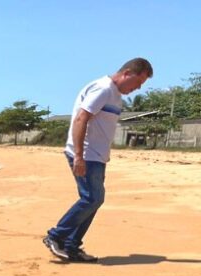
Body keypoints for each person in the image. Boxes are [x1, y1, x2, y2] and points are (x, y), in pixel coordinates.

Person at [44, 58, 153, 262]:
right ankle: (56, 236)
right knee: (92, 199)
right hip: (86, 154)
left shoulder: (115, 95)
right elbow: (81, 118)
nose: (137, 88)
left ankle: (71, 246)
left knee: (93, 200)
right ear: (127, 73)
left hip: (97, 156)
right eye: (137, 83)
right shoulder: (103, 88)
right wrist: (78, 155)